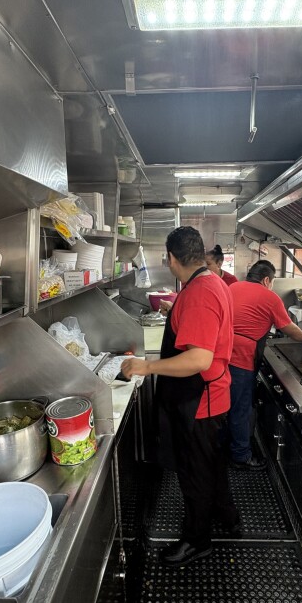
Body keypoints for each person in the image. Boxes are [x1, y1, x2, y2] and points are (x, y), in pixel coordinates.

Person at [122, 226, 239, 566]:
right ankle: (228, 519)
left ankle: (197, 541)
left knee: (195, 475)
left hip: (200, 401)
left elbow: (198, 359)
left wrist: (146, 366)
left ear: (171, 258)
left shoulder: (199, 293)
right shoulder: (211, 282)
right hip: (214, 396)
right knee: (213, 468)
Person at [228, 260, 302, 470]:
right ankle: (240, 456)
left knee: (226, 405)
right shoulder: (270, 297)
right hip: (242, 358)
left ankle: (226, 446)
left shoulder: (232, 287)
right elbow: (288, 327)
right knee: (240, 408)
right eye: (272, 281)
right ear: (266, 279)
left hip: (222, 353)